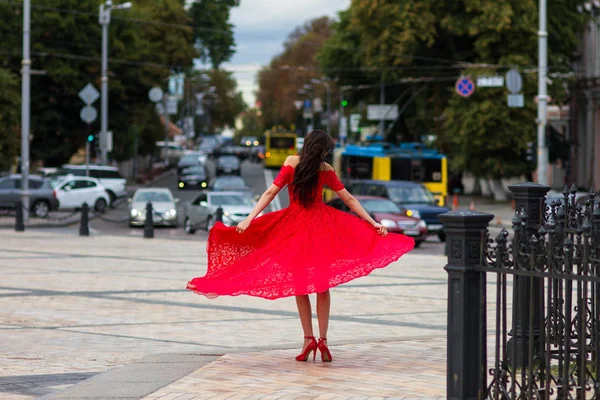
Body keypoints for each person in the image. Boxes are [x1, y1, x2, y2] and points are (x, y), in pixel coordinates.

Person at [187, 130, 415, 362]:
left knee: (300, 286)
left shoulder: (291, 163)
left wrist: (250, 218)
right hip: (321, 229)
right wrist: (373, 222)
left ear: (306, 145)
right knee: (322, 286)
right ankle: (323, 341)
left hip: (294, 229)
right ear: (323, 150)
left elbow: (270, 192)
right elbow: (349, 199)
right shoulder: (325, 169)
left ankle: (308, 339)